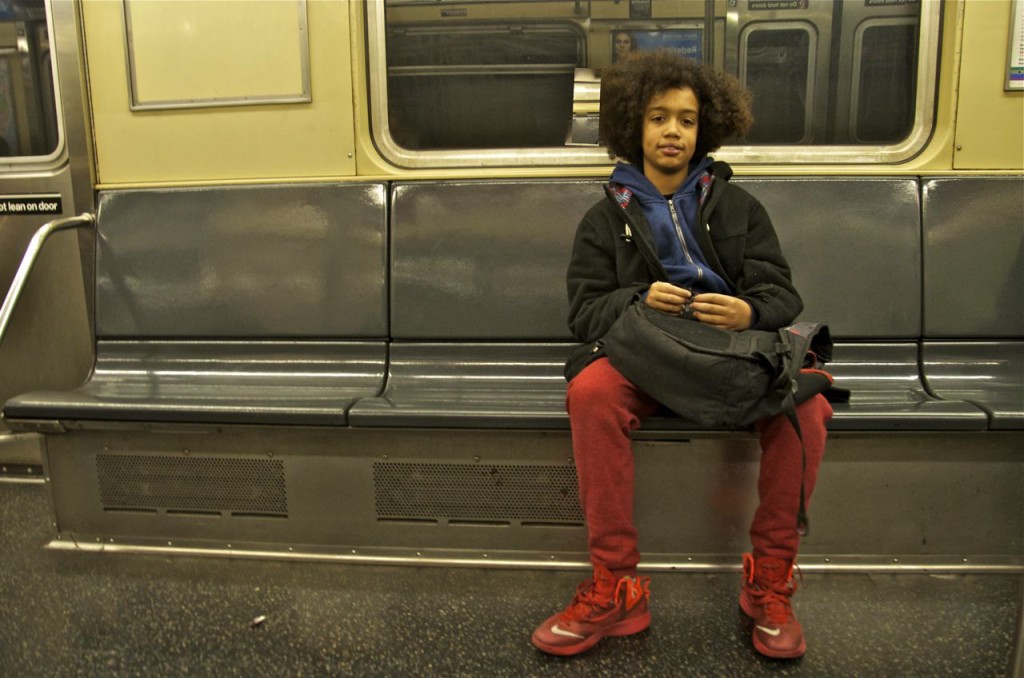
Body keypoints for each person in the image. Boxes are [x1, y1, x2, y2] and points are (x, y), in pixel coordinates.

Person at [530, 50, 833, 659]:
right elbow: (585, 314)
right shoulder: (602, 219)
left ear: (705, 130)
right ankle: (617, 585)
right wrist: (641, 300)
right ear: (632, 127)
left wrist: (747, 311)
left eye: (687, 121)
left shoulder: (740, 207)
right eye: (658, 117)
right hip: (648, 357)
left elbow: (781, 293)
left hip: (730, 353)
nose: (672, 131)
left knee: (808, 406)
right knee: (590, 393)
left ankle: (770, 580)